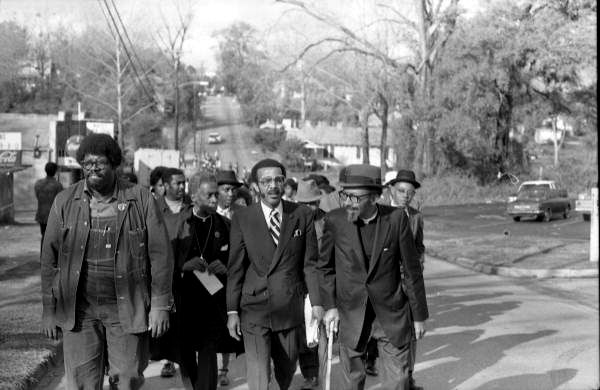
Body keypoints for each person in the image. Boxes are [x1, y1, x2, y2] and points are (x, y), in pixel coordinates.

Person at [40, 133, 173, 390]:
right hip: (79, 310)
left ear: (114, 164)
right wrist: (49, 310)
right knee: (81, 383)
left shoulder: (141, 198)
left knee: (127, 379)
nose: (92, 169)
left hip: (127, 306)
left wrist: (160, 305)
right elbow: (49, 260)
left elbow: (160, 256)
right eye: (87, 163)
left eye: (99, 163)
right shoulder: (65, 201)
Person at [318, 164, 428, 390]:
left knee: (398, 380)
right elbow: (325, 267)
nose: (348, 202)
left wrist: (419, 316)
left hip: (390, 313)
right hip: (350, 314)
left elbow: (412, 270)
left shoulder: (396, 219)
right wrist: (329, 306)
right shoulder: (336, 220)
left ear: (376, 197)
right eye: (345, 195)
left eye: (355, 198)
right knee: (352, 382)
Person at [226, 158, 323, 390]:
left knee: (287, 369)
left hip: (289, 307)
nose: (273, 186)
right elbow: (235, 268)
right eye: (266, 181)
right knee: (259, 375)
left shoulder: (301, 214)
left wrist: (318, 303)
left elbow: (310, 264)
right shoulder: (243, 218)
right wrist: (232, 311)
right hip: (254, 308)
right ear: (256, 187)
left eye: (278, 179)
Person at [171, 174, 240, 390]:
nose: (214, 199)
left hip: (213, 301)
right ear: (194, 196)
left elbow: (239, 262)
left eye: (215, 194)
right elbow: (162, 263)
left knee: (208, 350)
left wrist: (226, 267)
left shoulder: (227, 225)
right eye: (209, 195)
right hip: (184, 301)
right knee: (186, 354)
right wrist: (183, 266)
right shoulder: (176, 225)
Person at [384, 169, 425, 390]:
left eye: (410, 192)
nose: (405, 196)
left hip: (408, 284)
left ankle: (408, 377)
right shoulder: (381, 213)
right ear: (391, 189)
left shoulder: (416, 216)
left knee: (412, 331)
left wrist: (418, 263)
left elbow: (419, 246)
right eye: (401, 191)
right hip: (384, 284)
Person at [152, 167, 190, 378]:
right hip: (161, 279)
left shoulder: (191, 210)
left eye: (184, 183)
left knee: (184, 331)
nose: (182, 187)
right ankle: (166, 360)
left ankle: (184, 367)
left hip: (188, 279)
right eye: (177, 183)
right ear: (165, 185)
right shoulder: (153, 210)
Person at [295, 180, 327, 390]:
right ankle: (309, 373)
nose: (310, 208)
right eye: (305, 204)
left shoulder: (327, 221)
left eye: (313, 203)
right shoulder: (292, 220)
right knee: (304, 332)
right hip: (300, 284)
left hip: (323, 282)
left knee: (323, 333)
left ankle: (324, 376)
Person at [214, 169, 244, 386]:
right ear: (216, 192)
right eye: (226, 189)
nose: (230, 193)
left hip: (233, 277)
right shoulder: (207, 213)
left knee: (228, 321)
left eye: (233, 189)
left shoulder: (242, 214)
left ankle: (223, 369)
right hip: (208, 276)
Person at [35, 162, 63, 243]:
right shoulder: (58, 185)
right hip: (53, 215)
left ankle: (43, 254)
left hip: (41, 214)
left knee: (44, 235)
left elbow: (38, 196)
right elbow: (60, 201)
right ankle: (47, 254)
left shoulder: (38, 183)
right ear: (55, 171)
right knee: (52, 238)